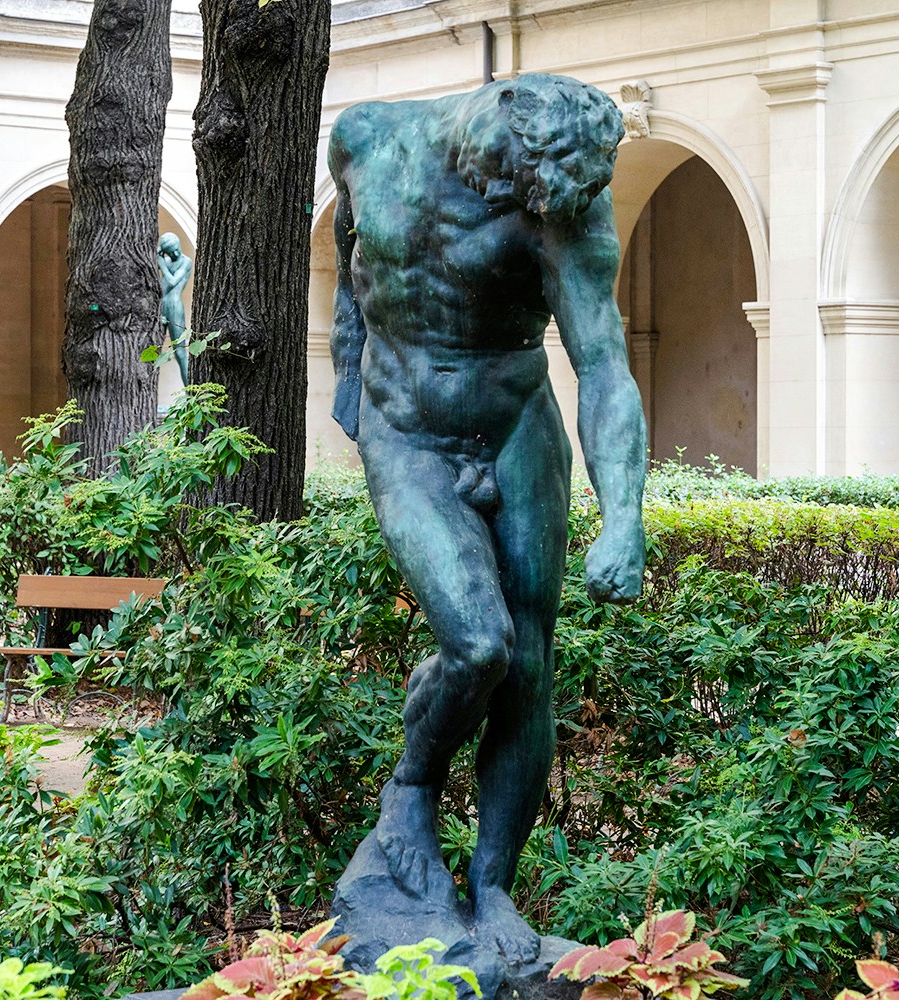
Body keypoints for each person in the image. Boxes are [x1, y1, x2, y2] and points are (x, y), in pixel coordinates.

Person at [329, 73, 646, 963]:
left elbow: (604, 364)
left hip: (512, 421)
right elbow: (350, 267)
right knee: (478, 643)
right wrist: (350, 383)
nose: (537, 214)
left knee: (532, 662)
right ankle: (412, 789)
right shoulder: (364, 136)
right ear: (501, 119)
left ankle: (494, 883)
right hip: (407, 432)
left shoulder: (566, 202)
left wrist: (622, 514)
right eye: (524, 190)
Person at [158, 232, 193, 384]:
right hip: (161, 306)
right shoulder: (165, 260)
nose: (176, 253)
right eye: (172, 252)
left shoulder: (186, 261)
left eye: (177, 249)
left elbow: (172, 281)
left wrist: (161, 263)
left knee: (180, 352)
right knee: (154, 350)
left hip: (174, 305)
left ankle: (190, 394)